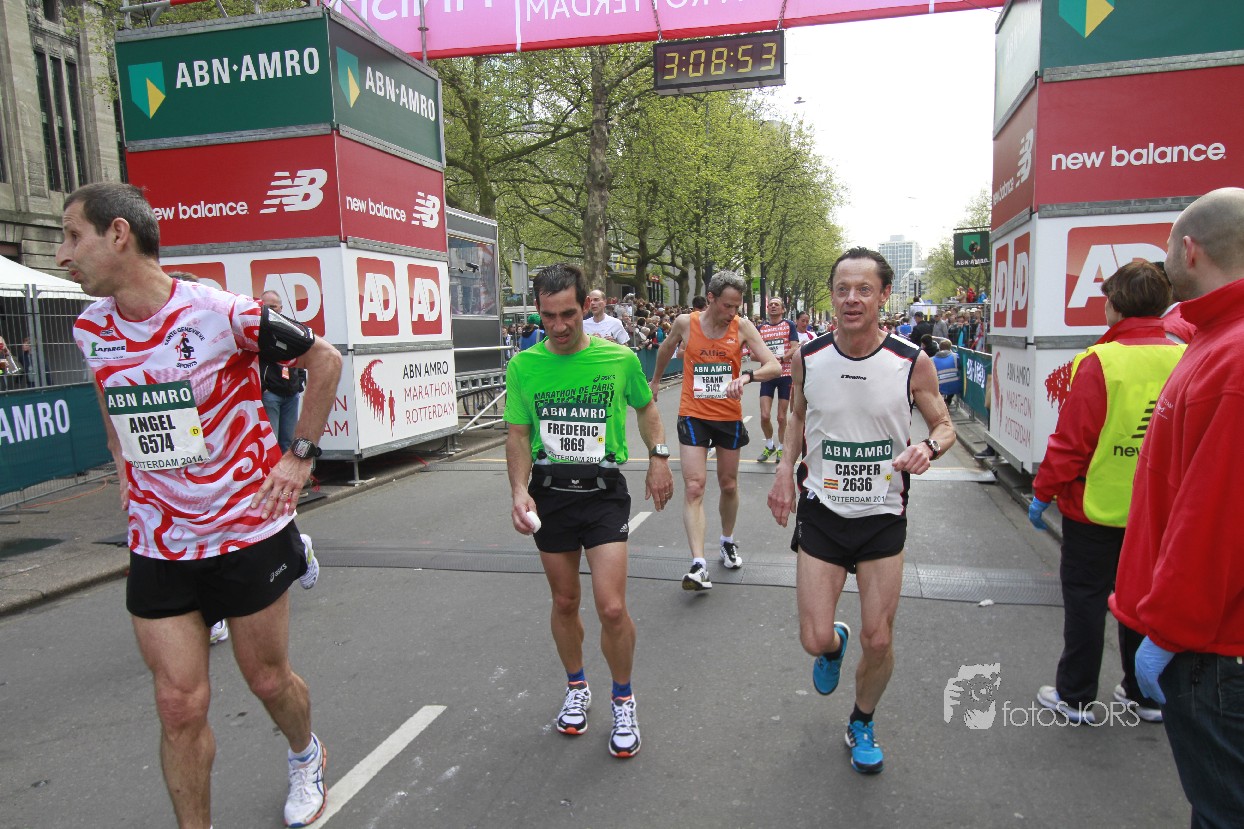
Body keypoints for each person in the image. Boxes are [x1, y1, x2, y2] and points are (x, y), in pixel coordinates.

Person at [58, 182, 342, 829]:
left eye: (72, 236)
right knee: (178, 704)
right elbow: (110, 399)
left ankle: (306, 753)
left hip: (246, 527)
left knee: (267, 680)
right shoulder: (90, 328)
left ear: (118, 235)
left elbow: (323, 360)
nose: (61, 255)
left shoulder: (221, 313)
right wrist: (124, 471)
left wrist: (298, 457)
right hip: (159, 538)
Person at [767, 247, 955, 775]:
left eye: (864, 289)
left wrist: (929, 448)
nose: (852, 299)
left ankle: (862, 720)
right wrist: (784, 470)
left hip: (882, 514)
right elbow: (797, 416)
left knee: (879, 637)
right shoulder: (809, 356)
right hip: (823, 511)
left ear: (883, 296)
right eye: (843, 289)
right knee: (813, 638)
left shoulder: (910, 360)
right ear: (832, 295)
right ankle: (834, 646)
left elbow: (944, 426)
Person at [1111, 187, 1244, 828]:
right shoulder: (1212, 341)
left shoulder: (1232, 358)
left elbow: (1215, 517)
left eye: (1167, 247)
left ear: (1189, 250)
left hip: (1214, 651)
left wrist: (1167, 632)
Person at [504, 263, 674, 759]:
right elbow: (517, 434)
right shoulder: (524, 365)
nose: (559, 326)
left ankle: (623, 698)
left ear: (586, 307)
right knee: (564, 601)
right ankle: (577, 687)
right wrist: (518, 491)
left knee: (612, 606)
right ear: (538, 312)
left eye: (569, 314)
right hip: (550, 492)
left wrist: (659, 459)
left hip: (603, 491)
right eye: (549, 316)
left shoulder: (618, 358)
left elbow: (646, 406)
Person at [1027, 261, 1184, 725]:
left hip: (1095, 508)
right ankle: (1144, 693)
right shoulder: (1185, 355)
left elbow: (1072, 442)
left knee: (1086, 600)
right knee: (1142, 601)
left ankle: (1076, 696)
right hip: (1159, 511)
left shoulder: (1101, 360)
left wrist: (1043, 492)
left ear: (1114, 304)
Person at [651, 270, 780, 590]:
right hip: (693, 413)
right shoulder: (686, 323)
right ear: (711, 298)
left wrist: (747, 377)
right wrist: (655, 381)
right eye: (727, 305)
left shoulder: (742, 327)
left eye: (737, 306)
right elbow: (666, 349)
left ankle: (727, 540)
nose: (732, 312)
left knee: (728, 485)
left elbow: (774, 365)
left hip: (727, 416)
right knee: (695, 486)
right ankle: (698, 564)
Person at [259, 291, 307, 455]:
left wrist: (299, 382)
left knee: (288, 442)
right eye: (266, 307)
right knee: (271, 441)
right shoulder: (258, 330)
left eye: (273, 307)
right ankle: (272, 471)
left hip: (291, 394)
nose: (270, 310)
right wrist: (264, 387)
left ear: (281, 308)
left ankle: (286, 471)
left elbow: (300, 354)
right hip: (271, 394)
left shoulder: (291, 328)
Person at [755, 297, 799, 463]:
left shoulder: (789, 325)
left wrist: (780, 359)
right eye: (771, 304)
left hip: (785, 375)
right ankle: (769, 445)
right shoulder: (761, 328)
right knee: (765, 415)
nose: (773, 306)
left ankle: (781, 448)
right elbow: (753, 353)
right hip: (767, 375)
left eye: (776, 305)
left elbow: (794, 348)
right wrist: (767, 359)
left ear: (782, 309)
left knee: (781, 417)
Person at [932, 339, 962, 407]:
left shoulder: (932, 359)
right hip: (956, 386)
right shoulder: (955, 356)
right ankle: (948, 401)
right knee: (953, 383)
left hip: (940, 387)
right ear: (950, 348)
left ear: (939, 348)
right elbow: (959, 367)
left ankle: (940, 403)